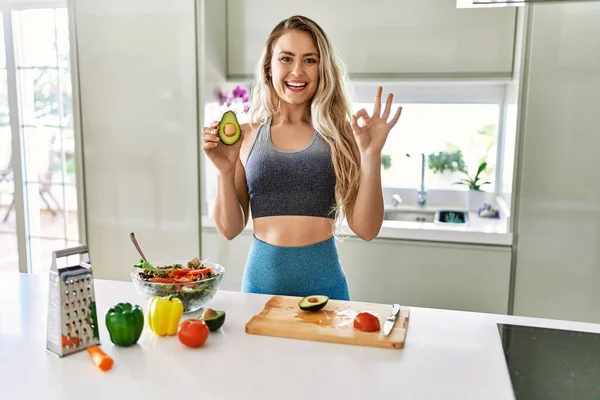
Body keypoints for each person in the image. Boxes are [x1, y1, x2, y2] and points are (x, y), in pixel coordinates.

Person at [201, 15, 402, 301]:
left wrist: (371, 155)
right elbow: (230, 229)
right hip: (260, 292)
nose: (298, 71)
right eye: (286, 58)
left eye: (310, 60)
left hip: (327, 293)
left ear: (323, 69)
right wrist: (224, 170)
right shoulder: (246, 136)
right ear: (269, 68)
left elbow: (367, 229)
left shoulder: (344, 134)